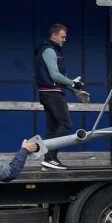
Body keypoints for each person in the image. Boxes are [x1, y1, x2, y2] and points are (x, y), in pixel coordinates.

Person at [34, 23, 84, 171]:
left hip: (47, 92)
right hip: (52, 93)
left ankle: (48, 161)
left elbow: (60, 77)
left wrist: (75, 91)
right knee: (65, 123)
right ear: (54, 35)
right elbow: (55, 75)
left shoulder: (52, 50)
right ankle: (50, 157)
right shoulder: (49, 50)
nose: (64, 40)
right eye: (62, 37)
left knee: (53, 127)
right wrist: (74, 84)